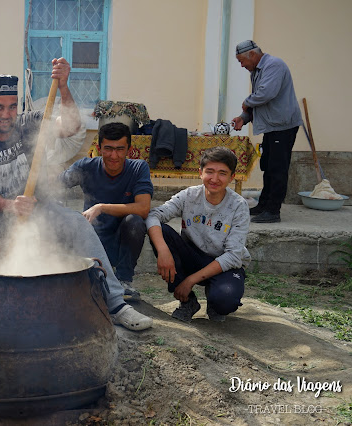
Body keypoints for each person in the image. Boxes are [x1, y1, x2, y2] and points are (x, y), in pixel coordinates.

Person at [0, 58, 152, 331]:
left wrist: (64, 86)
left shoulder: (31, 123)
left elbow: (71, 126)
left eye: (12, 106)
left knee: (77, 221)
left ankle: (114, 303)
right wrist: (9, 205)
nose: (6, 114)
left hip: (40, 213)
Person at [146, 147, 251, 322]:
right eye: (209, 171)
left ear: (232, 177)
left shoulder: (239, 205)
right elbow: (154, 215)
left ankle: (214, 298)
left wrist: (190, 281)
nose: (215, 179)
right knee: (161, 232)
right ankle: (188, 302)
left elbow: (233, 256)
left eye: (222, 173)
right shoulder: (189, 195)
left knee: (225, 300)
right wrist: (163, 251)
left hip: (223, 263)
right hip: (192, 257)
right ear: (200, 172)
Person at [58, 122, 153, 302]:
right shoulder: (85, 166)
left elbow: (143, 208)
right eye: (108, 149)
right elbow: (53, 186)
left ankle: (124, 280)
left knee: (135, 221)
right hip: (90, 241)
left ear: (129, 150)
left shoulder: (138, 169)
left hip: (120, 242)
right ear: (99, 148)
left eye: (120, 149)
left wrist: (101, 207)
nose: (113, 155)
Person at [231, 40, 303, 224]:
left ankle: (273, 211)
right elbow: (260, 103)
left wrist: (246, 102)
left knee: (277, 168)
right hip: (272, 126)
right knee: (268, 166)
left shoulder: (274, 65)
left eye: (242, 61)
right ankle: (263, 205)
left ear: (253, 55)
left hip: (283, 125)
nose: (242, 65)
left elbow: (265, 93)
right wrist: (243, 117)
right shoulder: (256, 71)